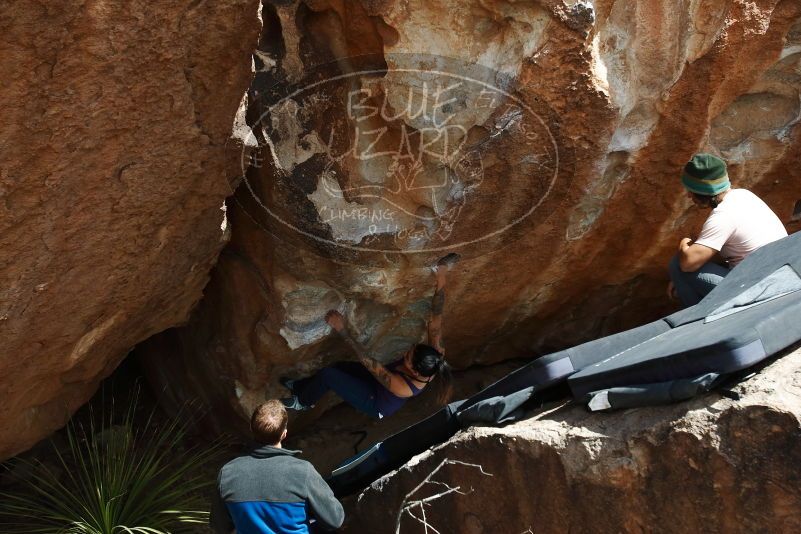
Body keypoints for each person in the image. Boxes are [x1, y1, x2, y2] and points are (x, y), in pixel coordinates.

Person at [280, 254, 457, 418]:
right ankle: (299, 388)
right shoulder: (434, 357)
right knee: (340, 367)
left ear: (415, 372)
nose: (405, 355)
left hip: (374, 401)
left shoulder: (403, 388)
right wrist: (441, 276)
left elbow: (368, 362)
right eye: (410, 351)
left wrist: (342, 329)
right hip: (377, 382)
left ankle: (302, 402)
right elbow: (436, 318)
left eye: (408, 359)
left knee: (329, 376)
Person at [667, 153, 787, 307]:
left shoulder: (723, 216)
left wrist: (684, 243)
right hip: (782, 274)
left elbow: (688, 264)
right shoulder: (744, 195)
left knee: (678, 264)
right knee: (685, 272)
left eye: (691, 190)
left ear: (703, 190)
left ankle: (698, 321)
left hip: (759, 289)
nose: (689, 196)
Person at [210, 400, 344, 534]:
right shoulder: (303, 471)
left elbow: (219, 526)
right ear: (284, 433)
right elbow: (334, 520)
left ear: (251, 429)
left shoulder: (227, 473)